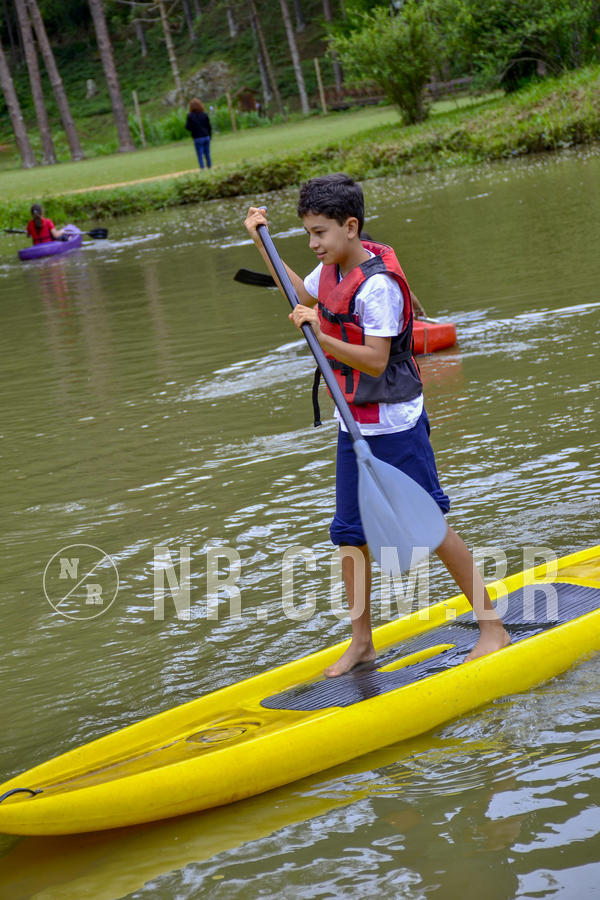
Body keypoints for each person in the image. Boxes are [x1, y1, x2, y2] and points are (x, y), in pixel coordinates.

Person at [244, 173, 510, 677]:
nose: (313, 243)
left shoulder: (378, 286)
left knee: (430, 527)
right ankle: (362, 642)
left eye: (320, 233)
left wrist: (320, 336)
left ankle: (492, 627)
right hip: (354, 424)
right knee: (350, 535)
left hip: (394, 423)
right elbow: (299, 292)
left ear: (351, 226)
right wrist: (263, 242)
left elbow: (373, 361)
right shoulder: (330, 270)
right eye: (307, 234)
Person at [185, 98, 212, 170]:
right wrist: (210, 136)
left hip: (198, 137)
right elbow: (209, 126)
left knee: (200, 154)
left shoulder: (190, 116)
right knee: (207, 154)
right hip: (206, 136)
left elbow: (187, 127)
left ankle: (202, 168)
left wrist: (194, 128)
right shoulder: (204, 114)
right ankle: (209, 167)